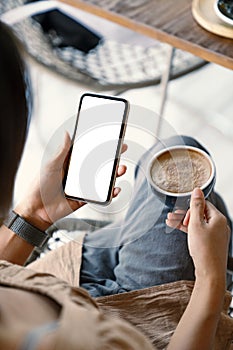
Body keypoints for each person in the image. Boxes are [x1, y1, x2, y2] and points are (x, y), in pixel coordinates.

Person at [0, 21, 232, 350]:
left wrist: (35, 213)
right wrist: (211, 279)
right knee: (182, 164)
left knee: (181, 186)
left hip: (63, 278)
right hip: (142, 328)